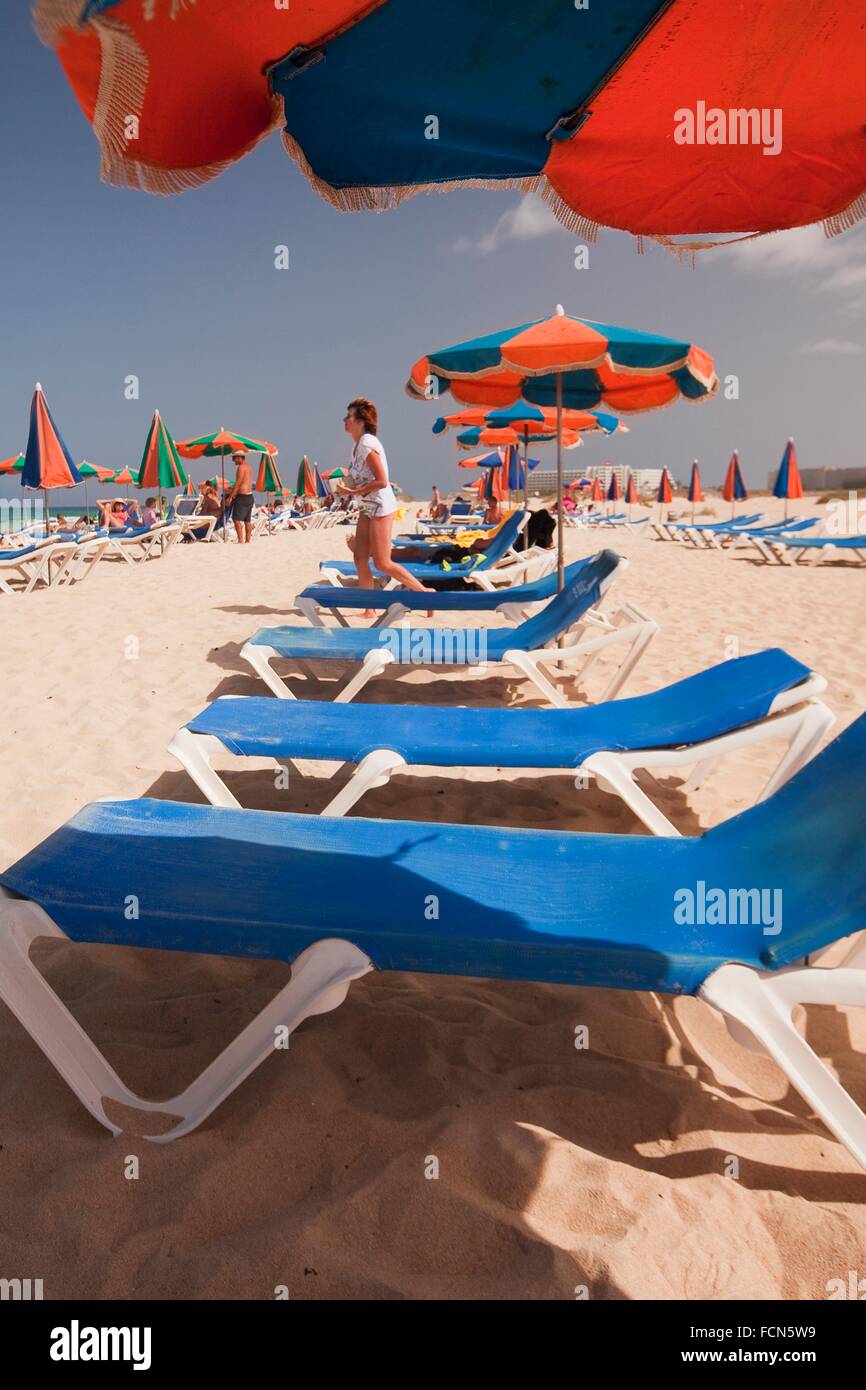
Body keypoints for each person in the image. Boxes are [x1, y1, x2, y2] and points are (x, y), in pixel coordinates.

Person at [339, 399, 433, 610]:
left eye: (349, 416)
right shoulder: (356, 447)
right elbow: (363, 478)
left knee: (383, 562)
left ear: (361, 421)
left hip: (381, 506)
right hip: (366, 506)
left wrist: (353, 491)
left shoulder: (367, 443)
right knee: (360, 557)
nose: (345, 420)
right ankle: (369, 608)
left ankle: (425, 594)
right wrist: (348, 487)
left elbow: (382, 480)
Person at [226, 451, 254, 542]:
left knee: (236, 519)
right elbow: (244, 482)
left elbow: (238, 483)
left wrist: (230, 497)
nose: (233, 460)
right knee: (247, 520)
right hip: (249, 496)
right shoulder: (249, 467)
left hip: (242, 497)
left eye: (234, 458)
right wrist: (233, 488)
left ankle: (240, 540)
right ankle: (248, 540)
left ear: (239, 457)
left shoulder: (241, 468)